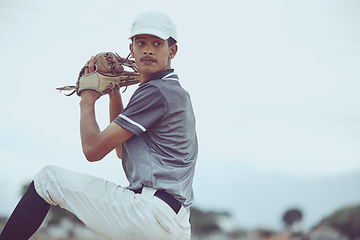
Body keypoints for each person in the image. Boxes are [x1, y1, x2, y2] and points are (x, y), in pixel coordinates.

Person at [0, 10, 198, 240]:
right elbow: (121, 150)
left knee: (47, 180)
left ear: (172, 50)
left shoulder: (156, 91)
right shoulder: (168, 90)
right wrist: (115, 93)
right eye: (141, 42)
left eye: (157, 43)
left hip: (151, 213)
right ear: (131, 49)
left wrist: (87, 97)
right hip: (173, 222)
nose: (148, 49)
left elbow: (93, 150)